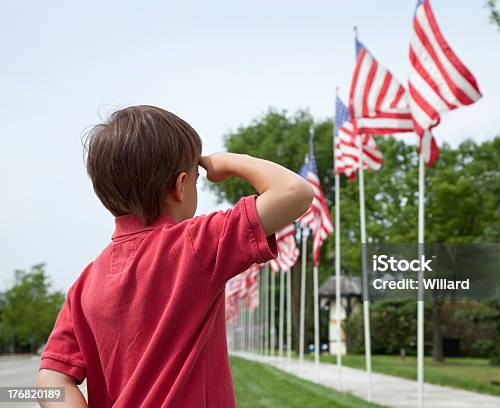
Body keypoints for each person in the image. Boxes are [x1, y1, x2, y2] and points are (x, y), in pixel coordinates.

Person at [35, 105, 314, 407]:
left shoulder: (84, 284)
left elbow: (52, 376)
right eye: (196, 179)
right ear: (181, 186)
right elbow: (294, 192)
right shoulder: (195, 244)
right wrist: (232, 162)